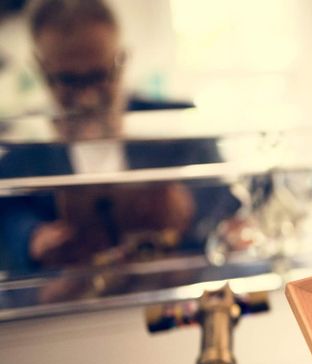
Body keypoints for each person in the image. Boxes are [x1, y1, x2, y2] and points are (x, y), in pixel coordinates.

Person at [0, 0, 236, 274]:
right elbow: (9, 217)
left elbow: (225, 204)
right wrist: (33, 239)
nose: (86, 97)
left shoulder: (175, 126)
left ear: (121, 61)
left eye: (99, 76)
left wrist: (189, 207)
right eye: (68, 80)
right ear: (43, 69)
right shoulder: (25, 151)